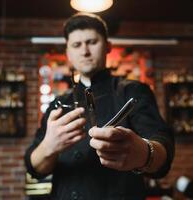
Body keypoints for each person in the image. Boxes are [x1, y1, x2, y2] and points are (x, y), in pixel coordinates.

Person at [25, 12, 174, 200]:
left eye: (92, 42)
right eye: (76, 45)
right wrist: (49, 147)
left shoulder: (133, 91)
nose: (85, 51)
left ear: (108, 46)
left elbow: (163, 150)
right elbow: (34, 168)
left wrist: (144, 153)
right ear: (68, 53)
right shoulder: (58, 103)